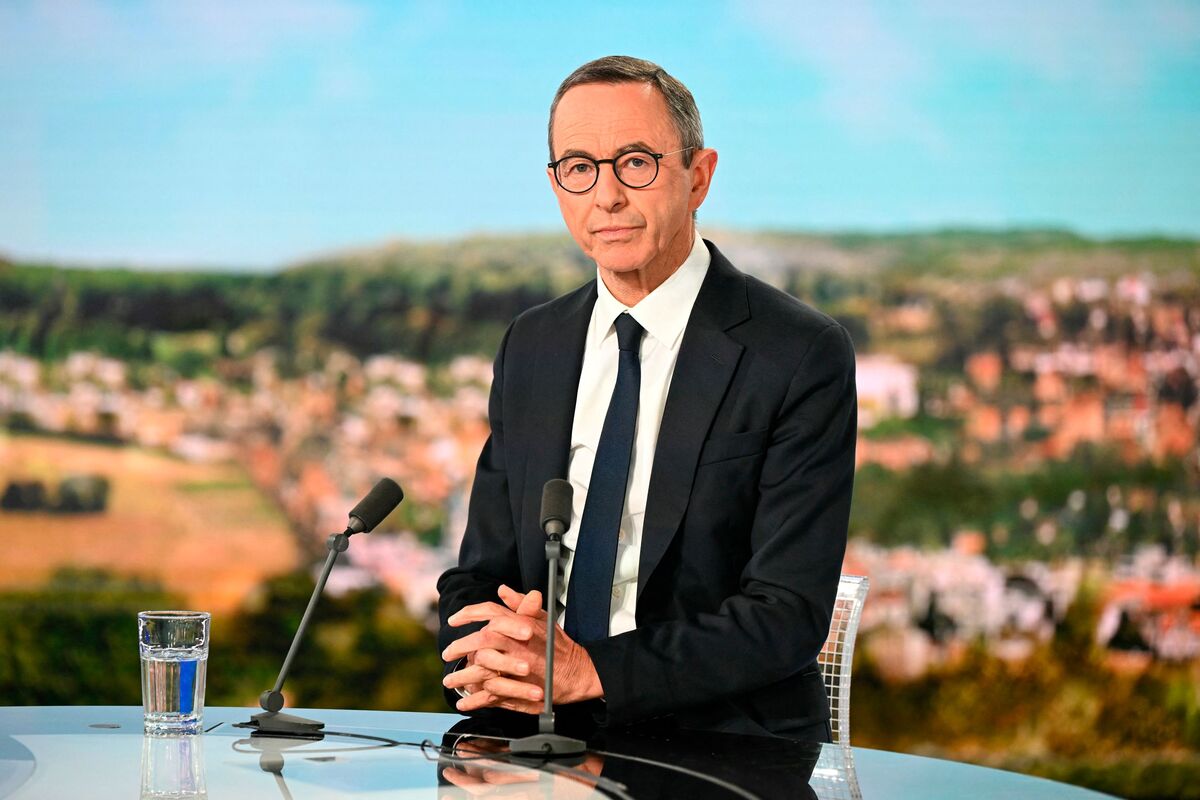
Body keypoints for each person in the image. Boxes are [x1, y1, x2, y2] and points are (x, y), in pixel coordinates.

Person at [437, 55, 856, 742]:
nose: (606, 196)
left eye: (635, 162)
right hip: (526, 731)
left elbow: (787, 613)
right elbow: (477, 574)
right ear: (556, 185)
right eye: (579, 167)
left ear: (699, 175)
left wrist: (591, 672)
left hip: (718, 742)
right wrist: (492, 652)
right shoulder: (532, 345)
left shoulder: (797, 353)